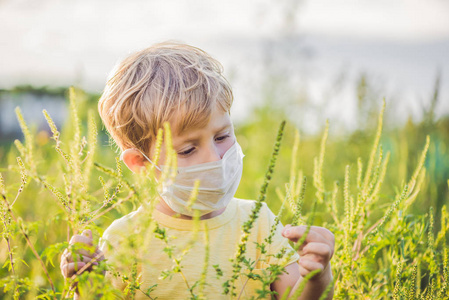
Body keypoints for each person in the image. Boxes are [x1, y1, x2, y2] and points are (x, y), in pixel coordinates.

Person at [60, 42, 335, 299]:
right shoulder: (125, 240)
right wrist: (86, 285)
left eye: (222, 137)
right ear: (142, 164)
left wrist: (317, 276)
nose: (214, 158)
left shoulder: (259, 223)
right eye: (188, 150)